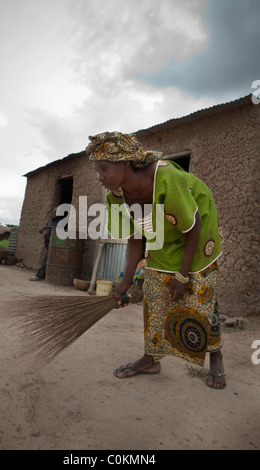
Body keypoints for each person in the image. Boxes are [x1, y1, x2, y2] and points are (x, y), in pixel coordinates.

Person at [86, 131, 226, 390]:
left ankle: (215, 357)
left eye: (104, 168)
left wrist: (182, 276)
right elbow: (135, 238)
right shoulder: (115, 196)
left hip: (197, 226)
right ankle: (151, 359)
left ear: (125, 162)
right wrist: (124, 282)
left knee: (201, 292)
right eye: (97, 170)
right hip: (164, 233)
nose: (100, 177)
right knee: (155, 290)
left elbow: (193, 227)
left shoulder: (166, 178)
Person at [29, 207, 63, 281]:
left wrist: (45, 227)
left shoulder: (60, 221)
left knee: (44, 260)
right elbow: (49, 228)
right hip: (48, 244)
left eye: (57, 212)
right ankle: (43, 274)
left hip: (54, 245)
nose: (55, 213)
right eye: (55, 212)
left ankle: (38, 275)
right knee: (45, 260)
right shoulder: (51, 220)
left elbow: (56, 228)